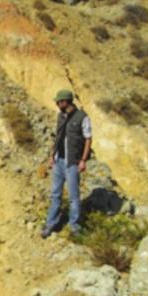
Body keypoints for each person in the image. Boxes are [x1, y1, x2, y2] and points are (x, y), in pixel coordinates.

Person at [42, 88, 93, 238]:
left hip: (73, 162)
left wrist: (83, 160)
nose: (57, 103)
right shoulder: (61, 116)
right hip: (59, 161)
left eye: (59, 101)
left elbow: (88, 139)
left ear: (66, 101)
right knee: (55, 194)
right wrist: (52, 156)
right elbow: (58, 138)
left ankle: (74, 226)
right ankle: (50, 224)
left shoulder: (82, 117)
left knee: (73, 197)